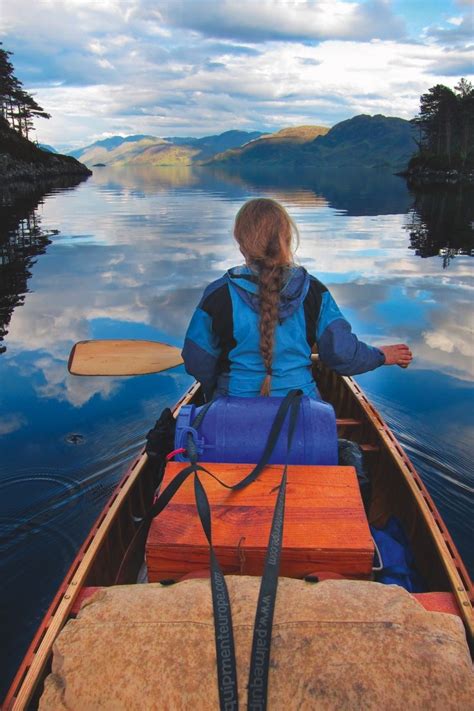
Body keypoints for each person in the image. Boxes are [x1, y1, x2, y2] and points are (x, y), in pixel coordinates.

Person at [182, 198, 412, 400]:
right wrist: (381, 356)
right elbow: (342, 355)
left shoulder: (218, 294)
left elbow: (197, 362)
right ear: (288, 239)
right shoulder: (314, 292)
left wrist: (216, 390)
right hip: (301, 409)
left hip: (231, 408)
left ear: (241, 243)